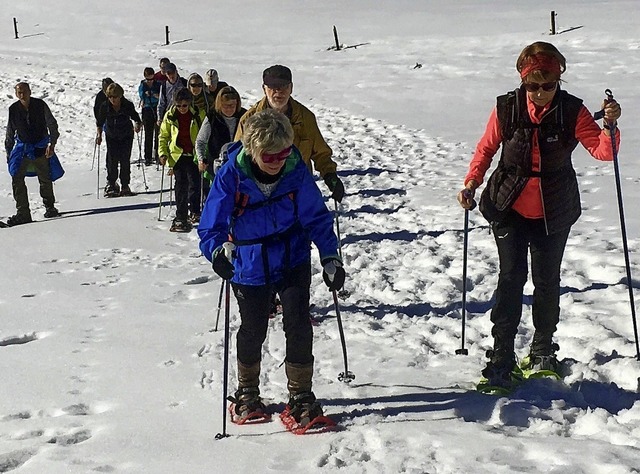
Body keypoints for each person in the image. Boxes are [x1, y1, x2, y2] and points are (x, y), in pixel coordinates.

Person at [457, 41, 622, 387]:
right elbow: (486, 149)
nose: (541, 92)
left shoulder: (572, 111)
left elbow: (602, 152)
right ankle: (502, 353)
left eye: (548, 85)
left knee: (547, 282)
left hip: (554, 208)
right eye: (533, 85)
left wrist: (609, 127)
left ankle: (543, 347)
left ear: (558, 80)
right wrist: (472, 182)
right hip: (509, 205)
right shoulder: (506, 108)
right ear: (523, 81)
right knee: (511, 279)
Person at [198, 109, 345, 425]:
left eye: (284, 152)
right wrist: (218, 253)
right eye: (270, 155)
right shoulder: (232, 176)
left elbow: (317, 218)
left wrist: (331, 257)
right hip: (249, 263)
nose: (278, 160)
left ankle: (301, 395)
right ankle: (247, 392)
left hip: (292, 256)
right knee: (253, 328)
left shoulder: (295, 171)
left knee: (298, 323)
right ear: (253, 150)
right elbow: (211, 227)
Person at [235, 65, 344, 203]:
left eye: (283, 86)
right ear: (264, 89)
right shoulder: (249, 120)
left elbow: (320, 153)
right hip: (261, 196)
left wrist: (330, 175)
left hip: (297, 191)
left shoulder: (305, 118)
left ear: (291, 88)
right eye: (273, 87)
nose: (278, 92)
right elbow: (237, 159)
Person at [5, 82, 63, 225]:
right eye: (19, 92)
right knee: (17, 178)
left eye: (24, 91)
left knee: (45, 178)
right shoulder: (13, 109)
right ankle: (23, 213)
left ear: (30, 91)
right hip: (22, 149)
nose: (22, 95)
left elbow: (52, 125)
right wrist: (9, 153)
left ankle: (50, 207)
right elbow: (10, 132)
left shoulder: (40, 105)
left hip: (40, 146)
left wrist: (52, 144)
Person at [158, 88, 204, 231]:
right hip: (177, 155)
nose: (182, 108)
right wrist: (162, 153)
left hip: (193, 155)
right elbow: (164, 136)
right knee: (181, 186)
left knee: (195, 184)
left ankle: (195, 210)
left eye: (184, 105)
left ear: (190, 103)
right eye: (179, 105)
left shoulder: (198, 114)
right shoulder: (170, 116)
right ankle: (181, 216)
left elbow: (205, 135)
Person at [194, 85, 246, 201]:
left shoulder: (244, 116)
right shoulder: (212, 117)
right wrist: (201, 159)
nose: (229, 109)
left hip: (241, 167)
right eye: (225, 106)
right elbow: (201, 141)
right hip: (216, 167)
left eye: (232, 106)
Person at [96, 83, 143, 197]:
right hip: (111, 135)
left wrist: (137, 125)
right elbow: (100, 122)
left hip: (126, 135)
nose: (113, 99)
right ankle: (111, 183)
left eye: (115, 97)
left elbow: (136, 118)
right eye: (110, 97)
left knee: (124, 159)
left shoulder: (127, 105)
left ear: (120, 96)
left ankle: (125, 184)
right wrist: (99, 135)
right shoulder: (105, 106)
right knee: (112, 159)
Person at [138, 67, 161, 166]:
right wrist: (147, 95)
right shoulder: (142, 85)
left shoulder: (158, 84)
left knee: (158, 133)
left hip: (156, 109)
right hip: (147, 109)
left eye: (151, 79)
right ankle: (147, 156)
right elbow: (141, 95)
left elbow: (160, 96)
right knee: (148, 134)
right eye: (148, 79)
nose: (150, 81)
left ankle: (157, 155)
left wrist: (154, 95)